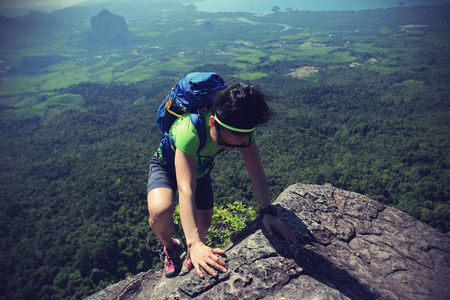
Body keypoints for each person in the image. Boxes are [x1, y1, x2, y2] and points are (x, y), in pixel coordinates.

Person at [147, 81, 296, 279]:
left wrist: (267, 211)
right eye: (224, 143)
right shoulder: (189, 130)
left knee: (204, 224)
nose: (229, 149)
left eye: (238, 145)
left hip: (199, 171)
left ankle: (194, 251)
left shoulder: (243, 131)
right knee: (161, 211)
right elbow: (186, 189)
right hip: (166, 166)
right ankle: (170, 247)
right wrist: (193, 242)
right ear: (212, 123)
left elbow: (255, 171)